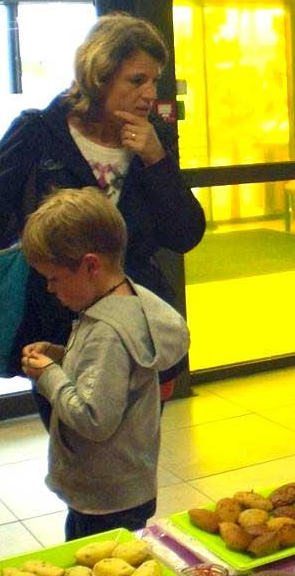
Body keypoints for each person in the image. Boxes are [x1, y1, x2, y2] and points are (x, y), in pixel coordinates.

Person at [0, 12, 204, 412]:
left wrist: (156, 160)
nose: (150, 93)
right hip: (56, 317)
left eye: (154, 80)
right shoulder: (40, 131)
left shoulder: (153, 138)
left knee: (132, 437)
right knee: (70, 431)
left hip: (133, 321)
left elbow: (184, 234)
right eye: (137, 80)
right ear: (100, 75)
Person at [20, 187, 189, 540]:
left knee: (100, 568)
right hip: (121, 487)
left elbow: (93, 418)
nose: (50, 288)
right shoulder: (128, 301)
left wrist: (48, 376)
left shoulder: (107, 332)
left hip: (105, 497)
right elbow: (107, 375)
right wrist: (60, 355)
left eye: (54, 278)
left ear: (90, 266)